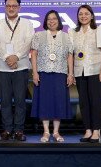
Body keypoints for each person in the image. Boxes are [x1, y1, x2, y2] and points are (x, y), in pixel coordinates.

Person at [0, 0, 34, 141]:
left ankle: (19, 131)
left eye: (14, 6)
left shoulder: (27, 24)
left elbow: (28, 42)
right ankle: (7, 130)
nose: (11, 8)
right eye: (8, 6)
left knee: (21, 100)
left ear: (19, 8)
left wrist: (16, 57)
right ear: (5, 7)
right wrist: (7, 57)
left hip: (21, 67)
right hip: (3, 68)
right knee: (5, 100)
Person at [31, 10, 74, 143]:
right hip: (43, 73)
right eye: (49, 19)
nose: (51, 21)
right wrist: (35, 72)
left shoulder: (66, 36)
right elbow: (34, 54)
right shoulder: (39, 35)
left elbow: (69, 55)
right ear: (45, 21)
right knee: (44, 102)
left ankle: (56, 132)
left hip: (60, 73)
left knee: (58, 103)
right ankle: (46, 132)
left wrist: (70, 73)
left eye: (54, 18)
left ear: (58, 21)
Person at [68, 4, 101, 143]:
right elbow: (71, 54)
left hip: (95, 71)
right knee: (83, 102)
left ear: (91, 15)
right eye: (81, 14)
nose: (83, 16)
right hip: (80, 71)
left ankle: (96, 131)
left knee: (95, 102)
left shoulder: (99, 29)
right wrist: (71, 73)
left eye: (86, 13)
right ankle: (88, 130)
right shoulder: (73, 32)